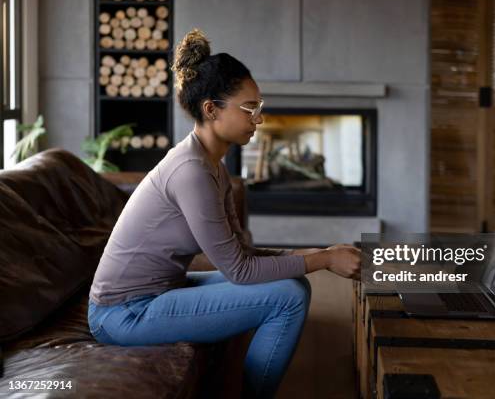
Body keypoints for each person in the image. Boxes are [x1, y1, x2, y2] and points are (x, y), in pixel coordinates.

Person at [87, 28, 361, 398]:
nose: (259, 119)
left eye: (259, 108)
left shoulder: (212, 164)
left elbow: (240, 253)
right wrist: (324, 259)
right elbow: (241, 271)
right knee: (289, 297)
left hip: (161, 291)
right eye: (250, 109)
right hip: (123, 314)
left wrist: (313, 255)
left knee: (292, 284)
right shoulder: (191, 172)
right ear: (211, 109)